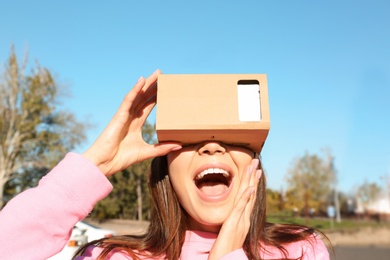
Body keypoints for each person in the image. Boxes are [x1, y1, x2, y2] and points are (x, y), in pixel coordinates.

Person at [0, 70, 331, 259]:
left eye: (233, 138)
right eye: (188, 139)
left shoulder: (301, 250)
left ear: (255, 159)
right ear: (166, 166)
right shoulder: (113, 258)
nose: (212, 145)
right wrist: (95, 164)